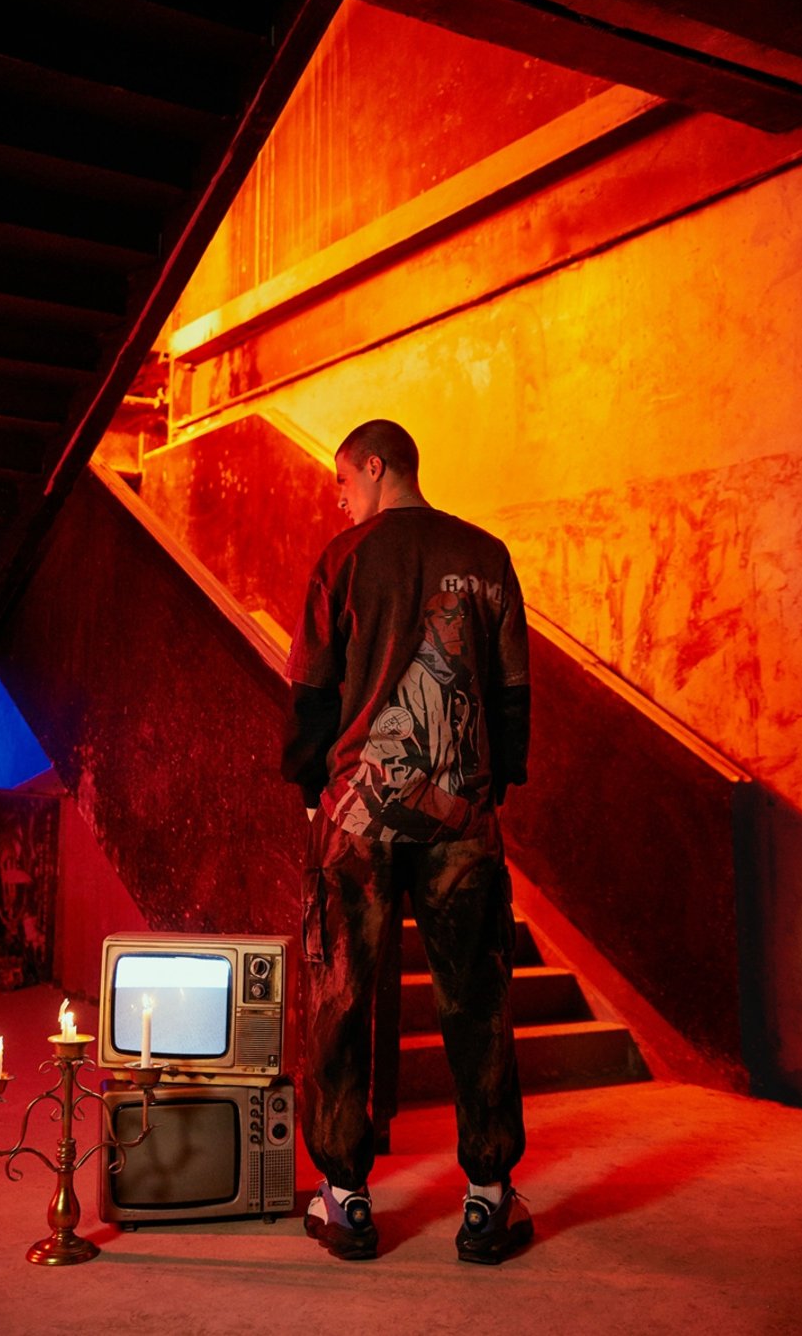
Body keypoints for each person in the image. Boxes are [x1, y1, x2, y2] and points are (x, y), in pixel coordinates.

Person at [281, 418, 532, 1264]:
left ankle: (345, 1197)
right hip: (464, 819)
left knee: (340, 996)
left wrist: (310, 786)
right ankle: (489, 1200)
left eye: (343, 483)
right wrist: (494, 786)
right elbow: (513, 690)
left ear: (375, 466)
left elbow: (311, 690)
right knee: (477, 998)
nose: (340, 499)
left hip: (357, 820)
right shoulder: (488, 556)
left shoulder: (343, 559)